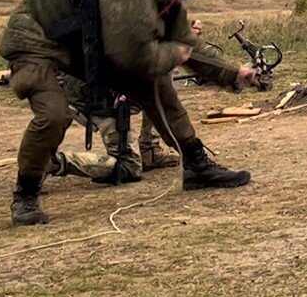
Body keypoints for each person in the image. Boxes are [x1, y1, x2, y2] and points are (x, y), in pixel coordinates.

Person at [0, 0, 257, 226]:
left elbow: (186, 42)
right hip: (36, 37)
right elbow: (133, 56)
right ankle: (25, 195)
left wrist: (233, 73)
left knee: (156, 86)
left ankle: (196, 164)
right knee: (54, 113)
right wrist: (176, 53)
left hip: (82, 42)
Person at [53, 20, 228, 183]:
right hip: (92, 95)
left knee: (158, 75)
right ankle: (54, 163)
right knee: (129, 167)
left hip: (105, 86)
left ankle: (149, 150)